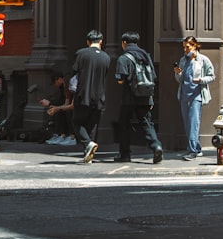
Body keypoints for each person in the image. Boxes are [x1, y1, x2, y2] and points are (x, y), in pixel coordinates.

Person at [114, 32, 164, 164]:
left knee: (124, 124)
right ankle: (156, 146)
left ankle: (125, 154)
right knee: (147, 123)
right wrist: (151, 98)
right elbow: (153, 77)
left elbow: (120, 80)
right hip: (145, 97)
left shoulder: (123, 58)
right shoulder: (146, 56)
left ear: (124, 42)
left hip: (129, 97)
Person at [174, 35, 216, 160]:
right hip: (184, 95)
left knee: (193, 123)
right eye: (184, 47)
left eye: (187, 47)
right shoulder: (183, 60)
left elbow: (212, 76)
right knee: (188, 124)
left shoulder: (203, 60)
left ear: (195, 46)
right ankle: (197, 149)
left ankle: (192, 151)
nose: (185, 50)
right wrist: (177, 73)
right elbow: (180, 79)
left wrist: (201, 80)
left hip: (196, 95)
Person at [72, 29, 110, 163]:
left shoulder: (81, 54)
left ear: (88, 42)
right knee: (92, 125)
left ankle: (88, 144)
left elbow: (75, 72)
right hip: (99, 96)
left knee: (77, 122)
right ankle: (88, 153)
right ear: (101, 41)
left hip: (84, 94)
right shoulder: (106, 57)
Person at [31, 70, 75, 145]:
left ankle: (71, 137)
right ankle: (62, 135)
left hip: (75, 106)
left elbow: (69, 103)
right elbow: (64, 102)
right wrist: (54, 106)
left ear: (59, 79)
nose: (55, 85)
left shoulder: (67, 84)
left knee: (64, 111)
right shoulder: (63, 87)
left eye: (55, 82)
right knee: (58, 111)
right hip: (71, 105)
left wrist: (54, 106)